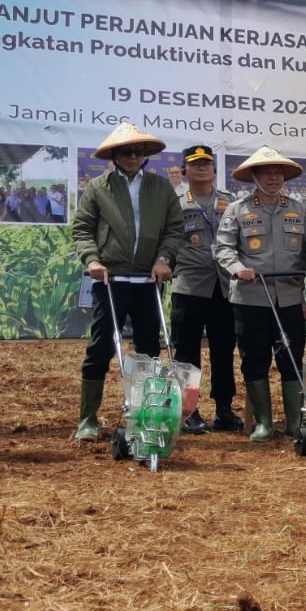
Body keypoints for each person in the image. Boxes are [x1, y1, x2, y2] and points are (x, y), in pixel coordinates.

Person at [70, 122, 184, 441]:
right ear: (115, 155)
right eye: (125, 152)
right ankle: (88, 419)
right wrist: (92, 259)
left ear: (145, 155)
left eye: (137, 152)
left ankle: (147, 413)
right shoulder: (98, 188)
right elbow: (82, 229)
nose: (132, 157)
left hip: (149, 281)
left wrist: (164, 259)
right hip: (111, 279)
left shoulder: (161, 188)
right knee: (101, 345)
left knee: (149, 348)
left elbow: (175, 229)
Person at [214, 146, 306, 441]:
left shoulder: (298, 209)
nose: (274, 177)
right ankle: (264, 423)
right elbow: (223, 248)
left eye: (278, 173)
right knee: (254, 359)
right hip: (250, 299)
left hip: (289, 297)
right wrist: (238, 268)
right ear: (255, 176)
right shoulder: (237, 209)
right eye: (267, 172)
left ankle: (293, 422)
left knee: (290, 357)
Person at [171, 145, 238, 434]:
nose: (202, 168)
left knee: (224, 350)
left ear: (214, 170)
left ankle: (224, 410)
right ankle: (189, 412)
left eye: (207, 164)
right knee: (187, 352)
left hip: (224, 287)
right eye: (195, 164)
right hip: (189, 285)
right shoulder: (174, 203)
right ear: (184, 170)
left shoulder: (230, 202)